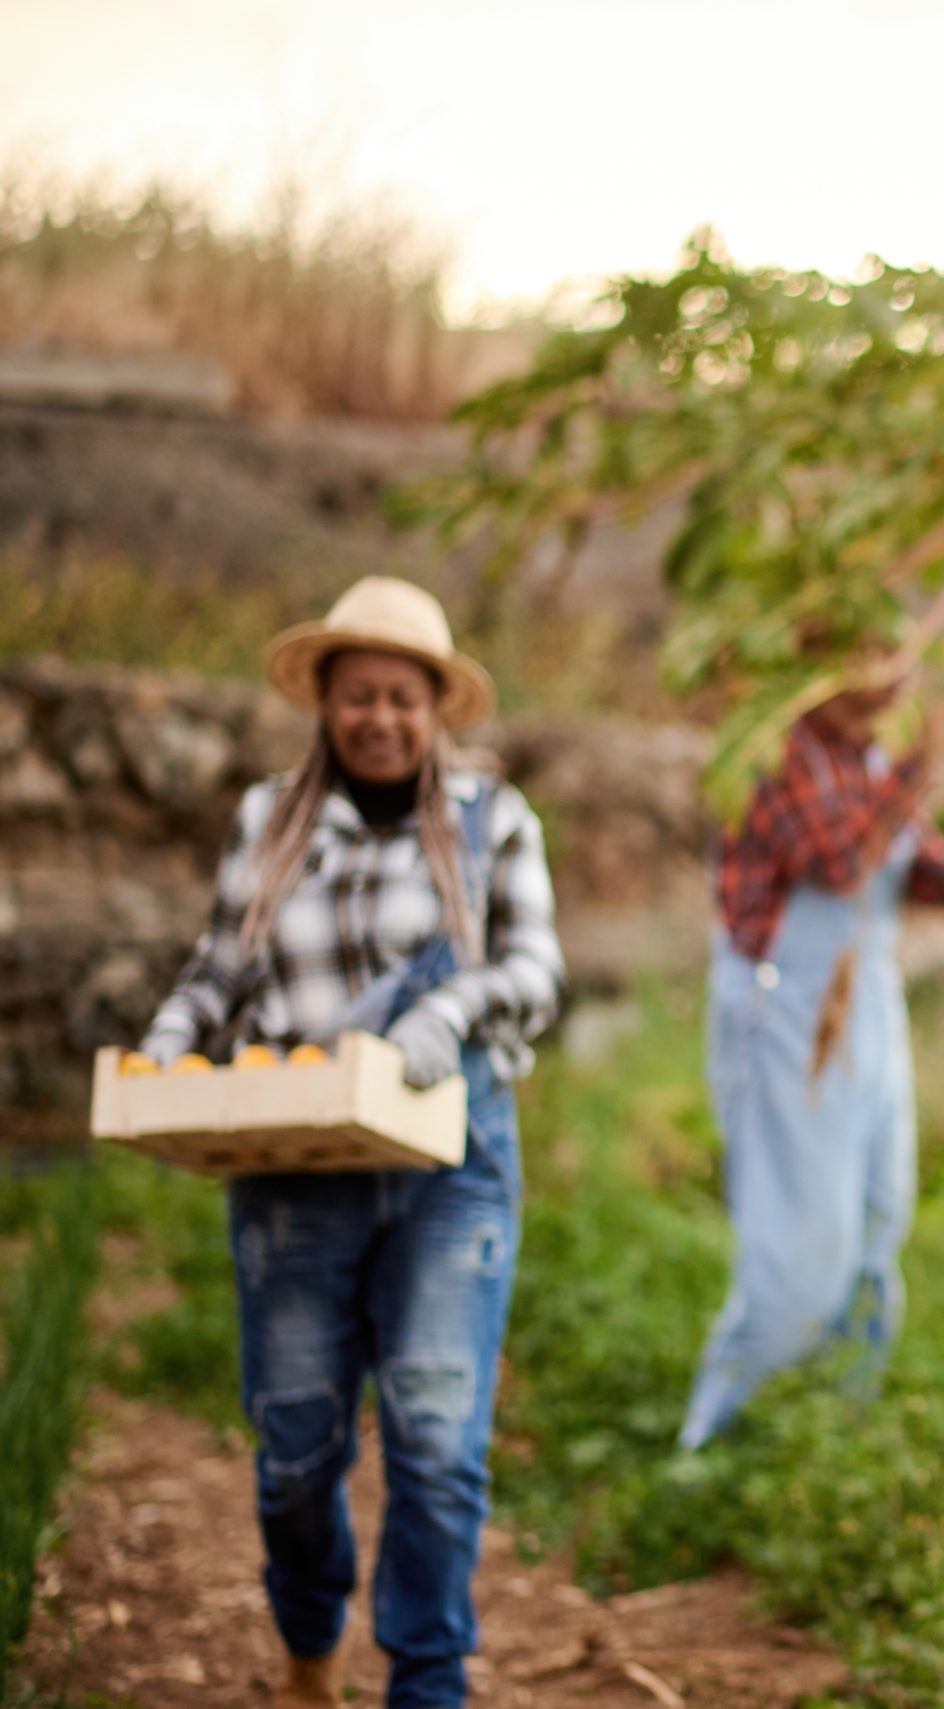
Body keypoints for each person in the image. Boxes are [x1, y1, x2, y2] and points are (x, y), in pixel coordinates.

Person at [137, 575, 564, 1709]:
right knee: (292, 1446)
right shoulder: (267, 817)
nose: (381, 716)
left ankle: (426, 1684)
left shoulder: (492, 820)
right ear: (324, 702)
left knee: (435, 1437)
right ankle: (308, 1648)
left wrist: (448, 1009)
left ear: (438, 710)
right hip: (296, 1165)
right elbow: (221, 967)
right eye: (359, 694)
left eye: (404, 697)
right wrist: (170, 1045)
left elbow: (535, 969)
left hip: (447, 1164)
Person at [678, 669, 944, 1451]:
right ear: (817, 661)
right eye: (867, 655)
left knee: (875, 1225)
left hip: (865, 1005)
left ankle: (829, 1436)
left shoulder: (869, 761)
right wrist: (923, 763)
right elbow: (836, 861)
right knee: (800, 1252)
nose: (895, 677)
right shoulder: (780, 751)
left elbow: (917, 868)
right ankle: (720, 1447)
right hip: (789, 1014)